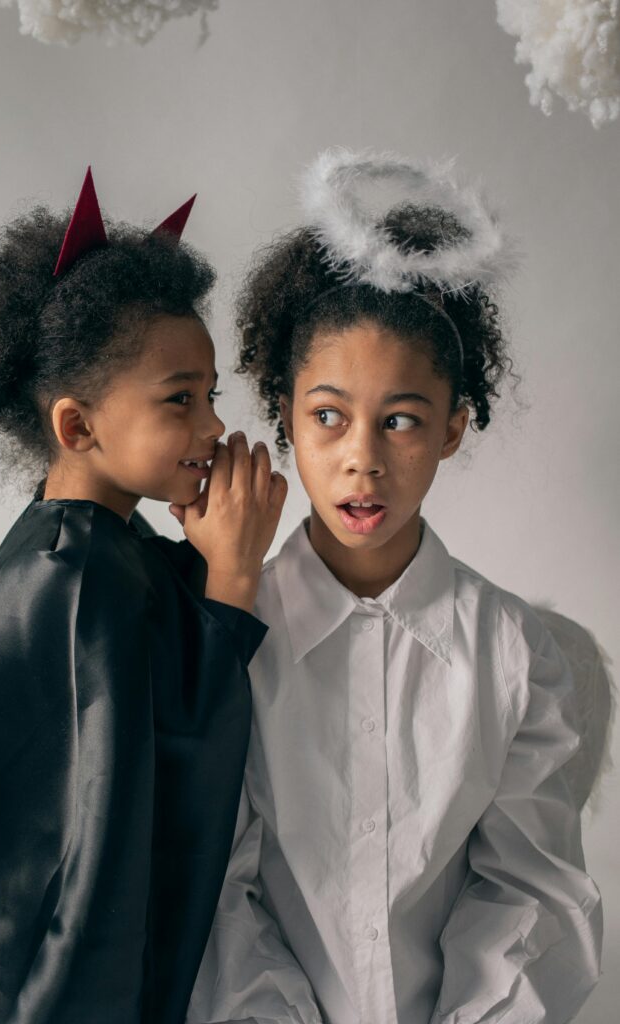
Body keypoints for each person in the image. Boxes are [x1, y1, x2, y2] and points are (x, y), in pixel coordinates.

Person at [187, 150, 602, 1024]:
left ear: (453, 427)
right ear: (288, 417)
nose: (361, 458)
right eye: (327, 416)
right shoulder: (226, 634)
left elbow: (530, 899)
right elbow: (216, 894)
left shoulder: (517, 655)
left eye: (401, 420)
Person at [0, 168, 287, 1024]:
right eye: (178, 400)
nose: (211, 428)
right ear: (78, 426)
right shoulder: (78, 576)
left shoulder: (83, 544)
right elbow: (116, 837)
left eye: (210, 395)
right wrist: (234, 577)